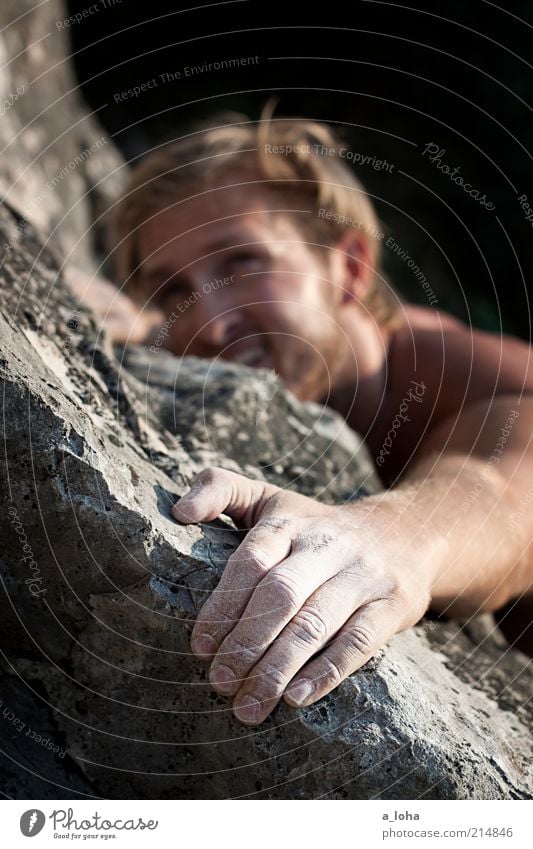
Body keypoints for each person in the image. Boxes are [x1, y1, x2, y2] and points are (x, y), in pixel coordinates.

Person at [94, 110, 533, 726]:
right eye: (173, 292)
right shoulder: (197, 346)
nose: (213, 324)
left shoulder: (486, 381)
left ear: (348, 267)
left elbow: (503, 495)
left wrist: (388, 537)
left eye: (242, 263)